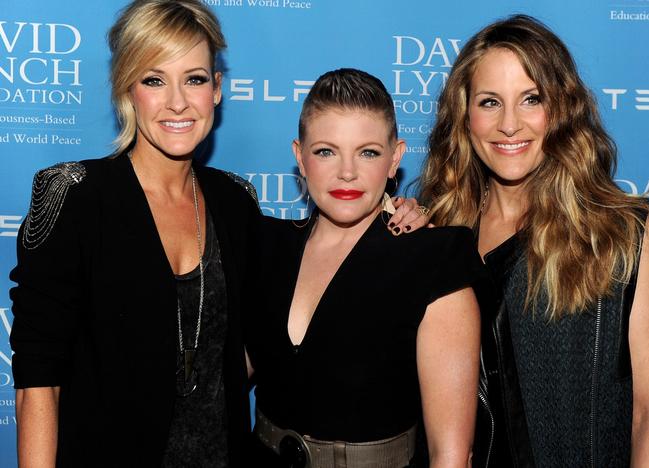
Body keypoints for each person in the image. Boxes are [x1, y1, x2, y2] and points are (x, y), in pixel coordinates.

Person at [9, 2, 427, 466]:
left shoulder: (235, 202)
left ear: (218, 89)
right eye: (154, 80)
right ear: (127, 89)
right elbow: (37, 385)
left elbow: (270, 329)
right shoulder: (73, 197)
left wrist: (393, 208)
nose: (177, 102)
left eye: (195, 79)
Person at [418, 15, 649, 468]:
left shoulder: (623, 234)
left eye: (531, 99)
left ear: (560, 109)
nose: (510, 125)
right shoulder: (435, 234)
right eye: (490, 102)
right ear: (465, 115)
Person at [244, 68, 482, 468]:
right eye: (326, 151)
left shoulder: (434, 259)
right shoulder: (265, 245)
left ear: (395, 159)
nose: (347, 172)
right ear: (299, 157)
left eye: (368, 152)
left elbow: (451, 455)